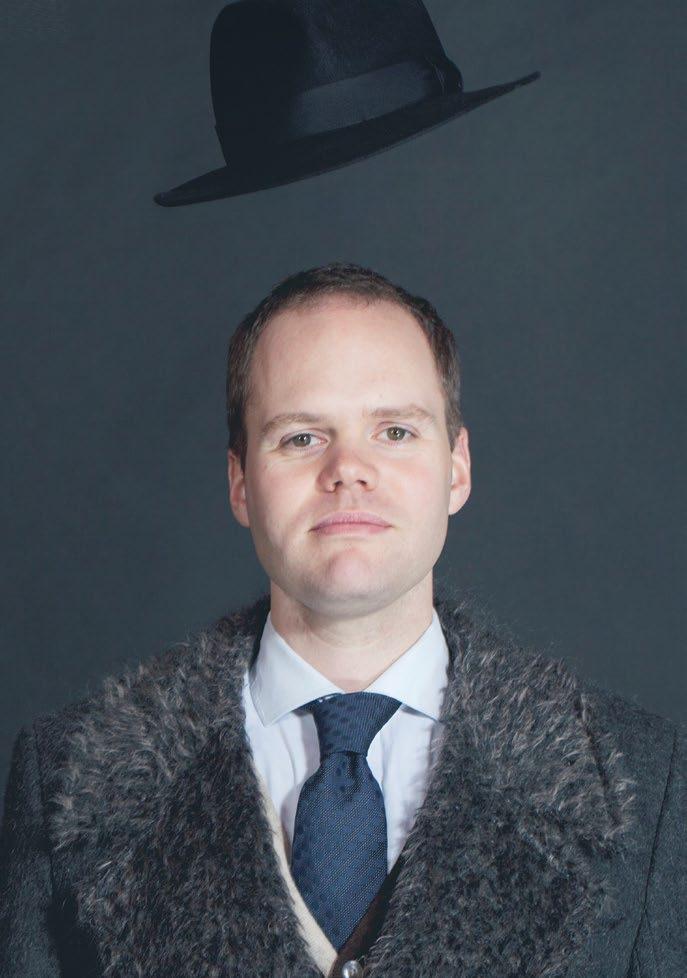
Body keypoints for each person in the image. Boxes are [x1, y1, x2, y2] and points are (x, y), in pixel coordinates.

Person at [0, 262, 684, 978]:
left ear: (456, 469)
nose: (347, 468)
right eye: (301, 437)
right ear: (240, 483)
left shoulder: (643, 777)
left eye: (394, 430)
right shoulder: (67, 777)